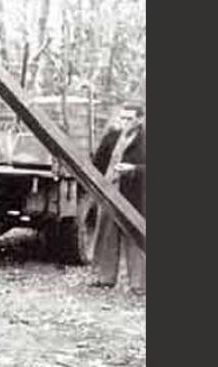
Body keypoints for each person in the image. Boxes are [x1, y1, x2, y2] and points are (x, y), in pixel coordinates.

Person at [89, 103, 146, 296]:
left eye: (129, 118)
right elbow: (97, 162)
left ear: (140, 120)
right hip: (110, 191)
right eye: (122, 117)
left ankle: (139, 284)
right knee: (107, 234)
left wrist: (134, 169)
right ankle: (104, 278)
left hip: (135, 195)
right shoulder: (113, 136)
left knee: (134, 237)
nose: (124, 122)